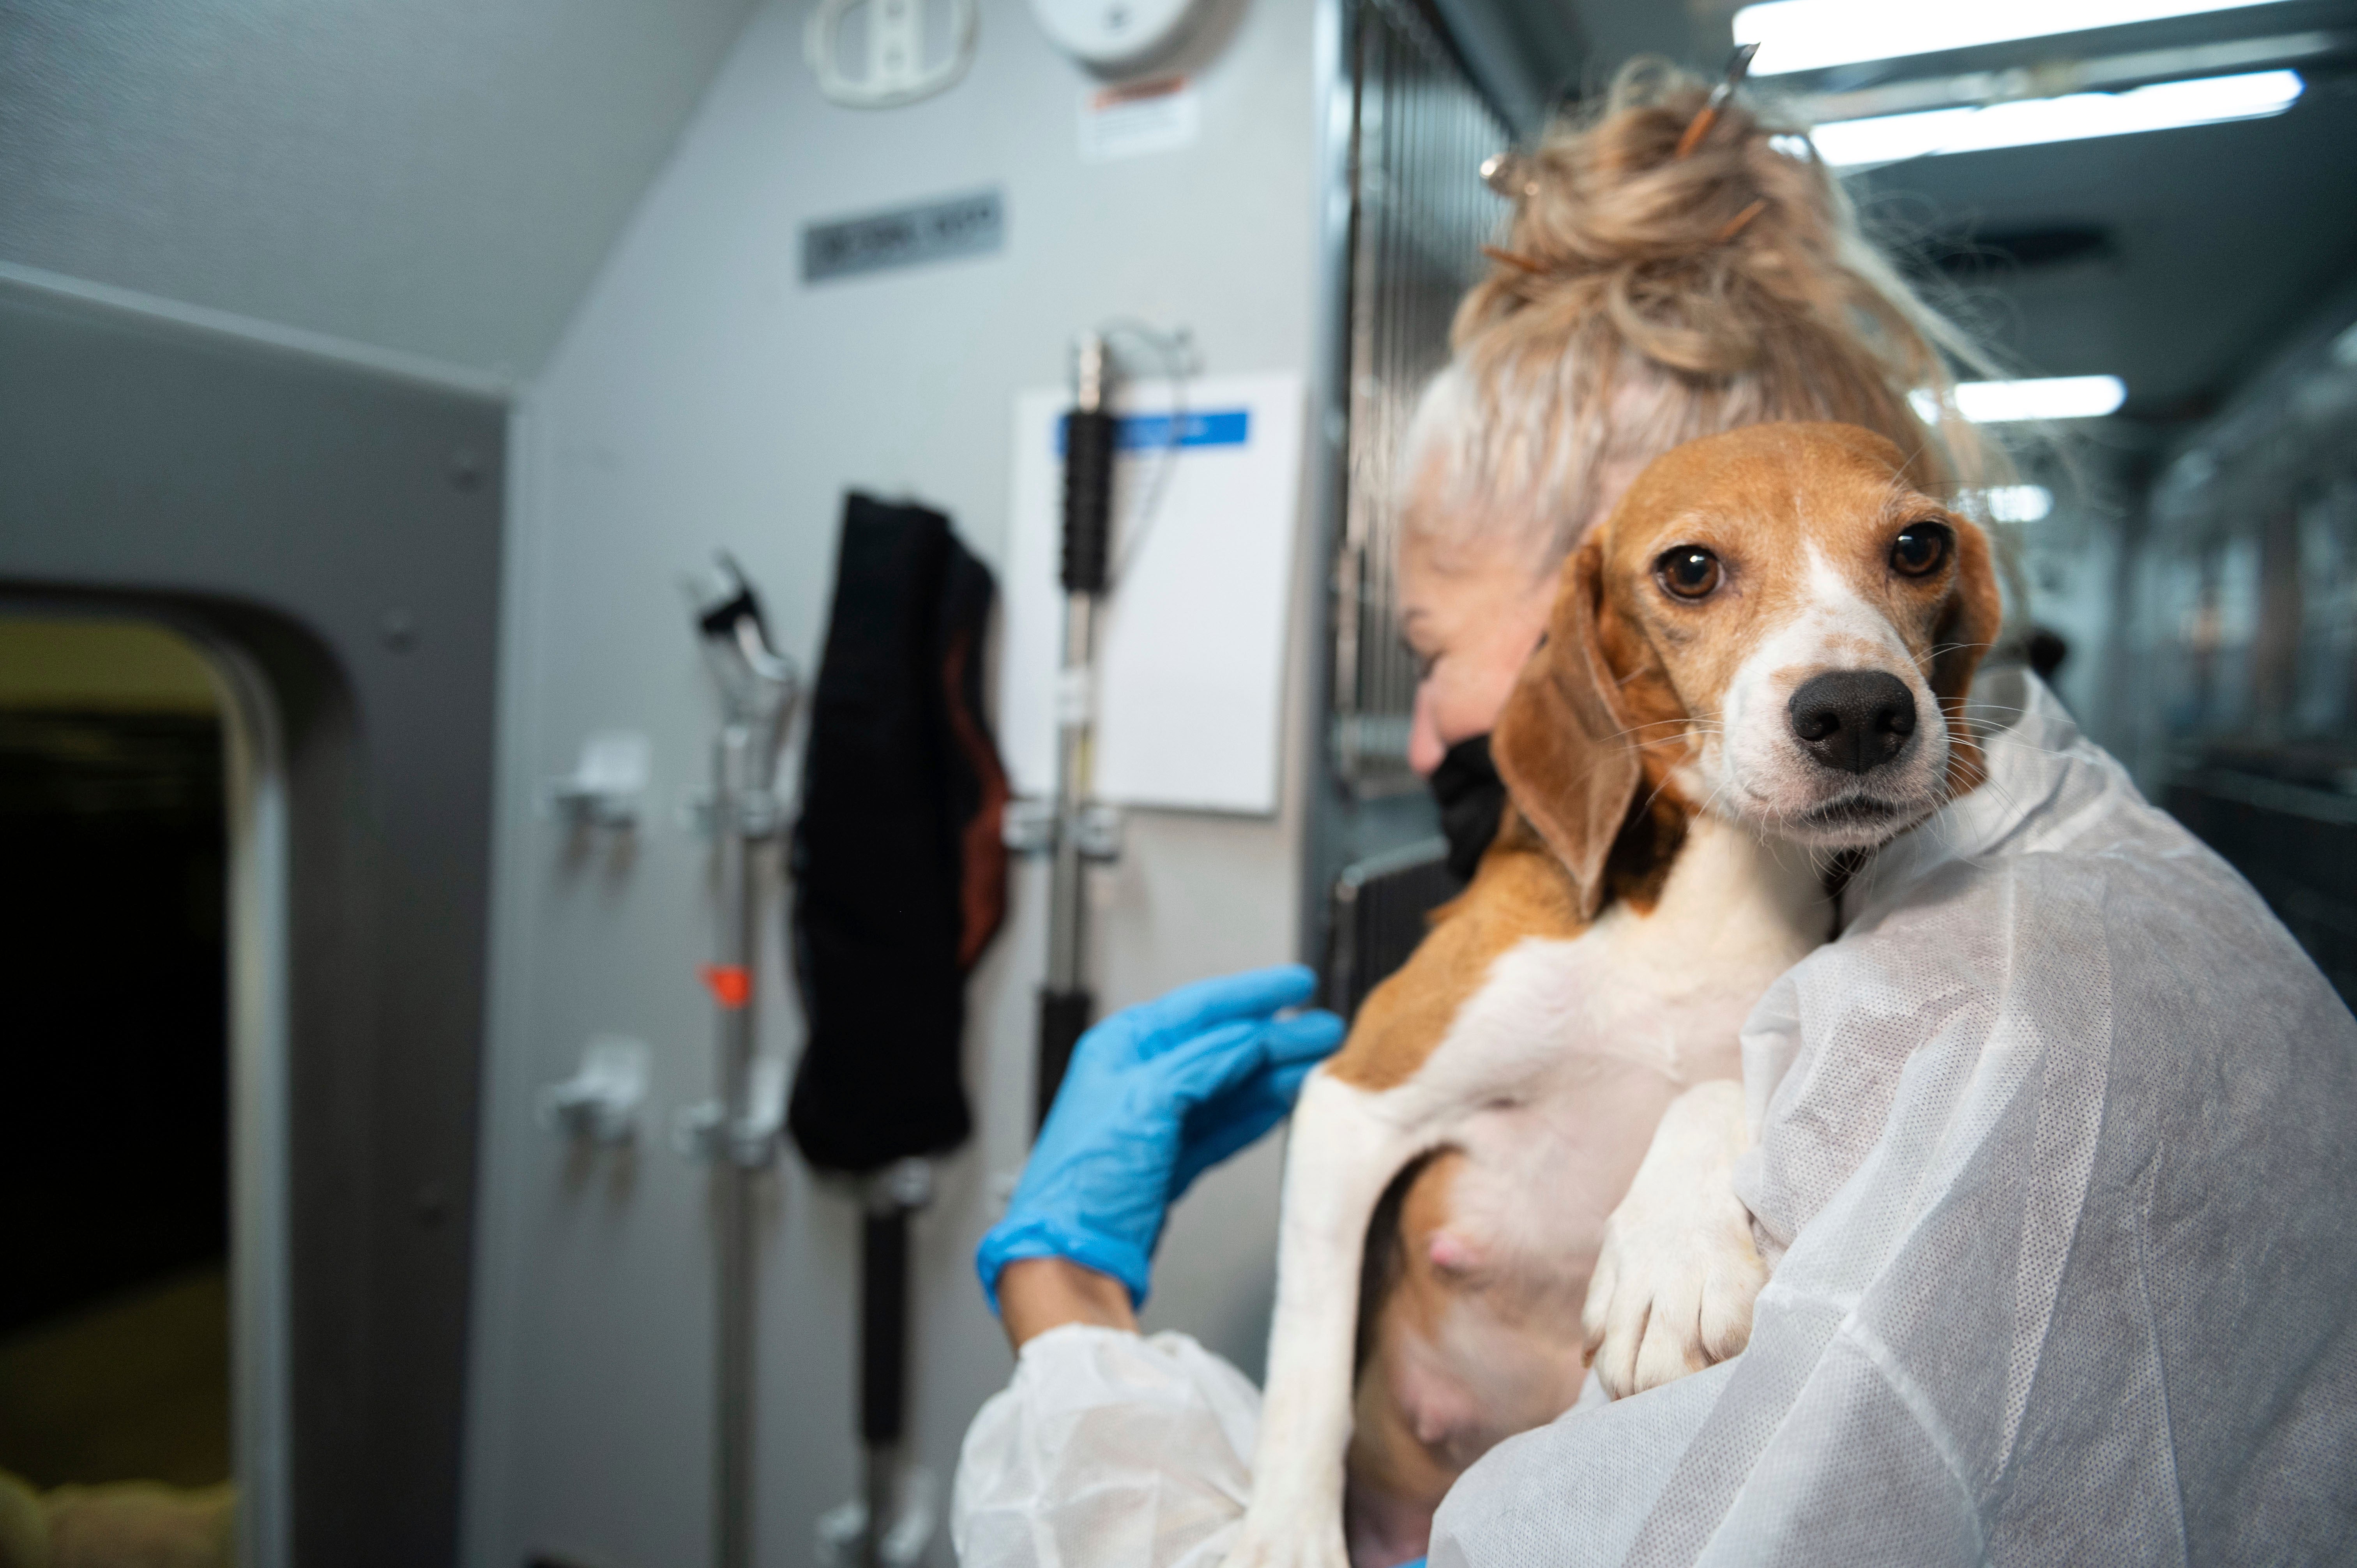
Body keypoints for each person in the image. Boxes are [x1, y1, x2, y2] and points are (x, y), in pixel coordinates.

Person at [952, 62, 2357, 1568]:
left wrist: (1065, 1308)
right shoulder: (1997, 893)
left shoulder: (1995, 1026)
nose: (1426, 724)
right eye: (1699, 571)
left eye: (1429, 650)